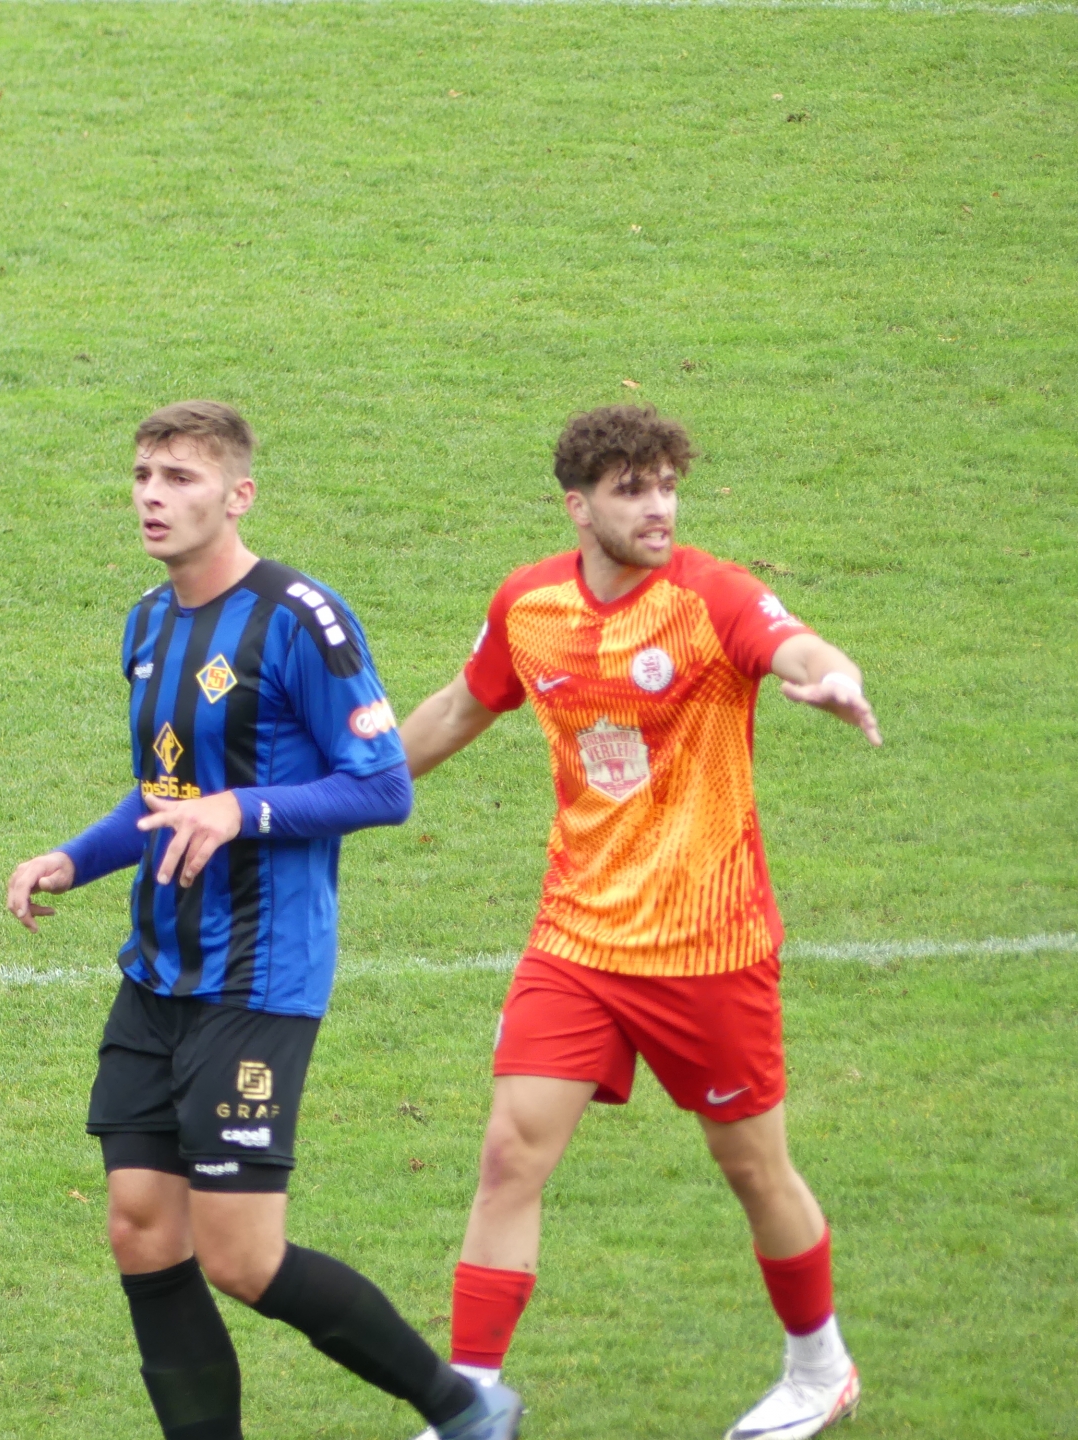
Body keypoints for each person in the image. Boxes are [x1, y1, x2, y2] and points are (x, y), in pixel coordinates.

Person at [6, 401, 522, 1440]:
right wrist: (76, 857)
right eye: (144, 475)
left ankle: (464, 1408)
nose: (153, 496)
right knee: (141, 1229)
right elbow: (165, 795)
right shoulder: (149, 623)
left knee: (241, 1258)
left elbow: (382, 787)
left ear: (239, 495)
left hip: (258, 979)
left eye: (181, 478)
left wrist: (240, 810)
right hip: (158, 971)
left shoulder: (301, 619)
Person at [399, 404, 881, 1440]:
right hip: (576, 940)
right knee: (509, 1156)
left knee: (752, 1168)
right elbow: (457, 709)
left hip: (709, 946)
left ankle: (820, 1368)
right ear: (579, 507)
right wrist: (335, 799)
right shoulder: (529, 604)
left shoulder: (712, 596)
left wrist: (833, 679)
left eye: (668, 487)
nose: (659, 508)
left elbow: (797, 645)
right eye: (633, 491)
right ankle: (468, 1401)